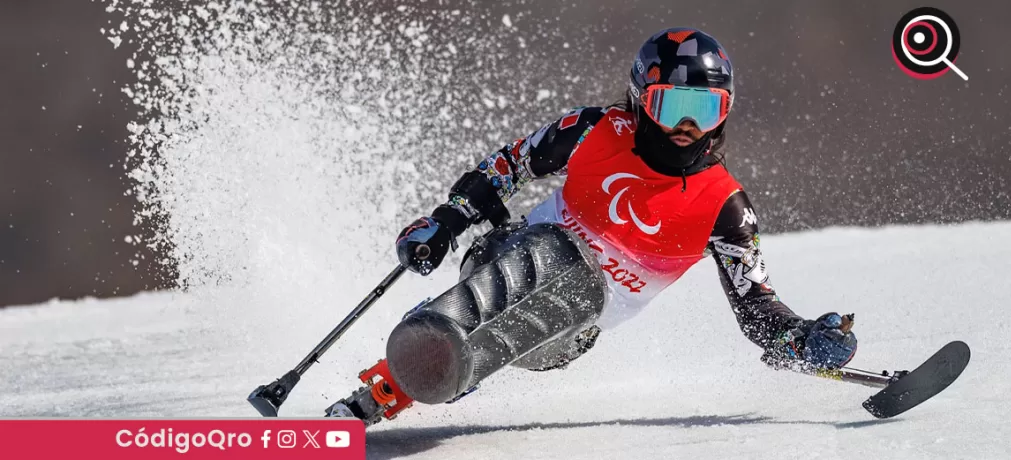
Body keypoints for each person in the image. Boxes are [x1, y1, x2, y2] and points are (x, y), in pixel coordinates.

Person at [327, 27, 858, 424]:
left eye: (706, 110)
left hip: (565, 334)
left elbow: (757, 306)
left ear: (726, 111)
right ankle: (408, 364)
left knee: (581, 290)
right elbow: (510, 166)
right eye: (672, 106)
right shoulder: (595, 131)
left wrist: (801, 339)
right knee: (558, 252)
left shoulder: (725, 207)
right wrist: (446, 221)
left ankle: (444, 366)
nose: (688, 128)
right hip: (505, 257)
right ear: (641, 99)